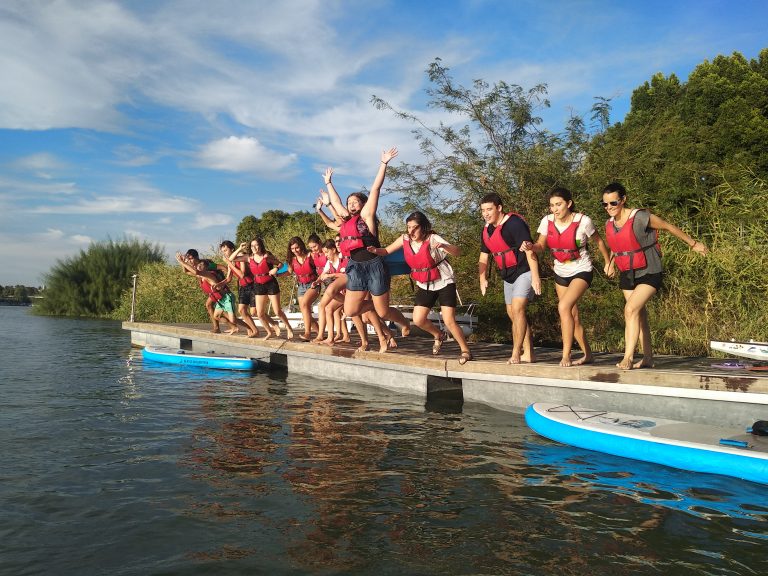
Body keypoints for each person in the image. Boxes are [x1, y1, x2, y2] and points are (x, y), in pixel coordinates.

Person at [601, 182, 708, 370]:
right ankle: (648, 357)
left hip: (650, 270)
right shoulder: (609, 224)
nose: (609, 208)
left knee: (630, 310)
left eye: (613, 203)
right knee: (638, 314)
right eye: (605, 204)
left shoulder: (641, 217)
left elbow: (669, 227)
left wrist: (693, 244)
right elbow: (616, 245)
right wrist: (609, 263)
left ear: (623, 200)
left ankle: (628, 357)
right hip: (627, 272)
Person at [321, 149, 410, 352]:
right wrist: (329, 183)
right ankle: (376, 314)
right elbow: (335, 202)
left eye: (355, 202)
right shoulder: (345, 220)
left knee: (384, 312)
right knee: (351, 310)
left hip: (374, 265)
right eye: (349, 202)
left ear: (362, 204)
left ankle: (404, 323)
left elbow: (376, 188)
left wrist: (383, 164)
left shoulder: (367, 216)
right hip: (355, 267)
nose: (351, 204)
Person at [522, 188, 612, 367]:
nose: (555, 209)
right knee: (572, 315)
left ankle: (566, 355)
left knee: (563, 307)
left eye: (559, 204)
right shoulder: (547, 222)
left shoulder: (583, 221)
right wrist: (531, 246)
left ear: (569, 204)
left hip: (581, 269)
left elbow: (599, 242)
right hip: (561, 271)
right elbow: (541, 245)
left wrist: (608, 262)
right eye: (552, 205)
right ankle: (588, 354)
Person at [369, 211, 473, 364]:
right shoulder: (405, 239)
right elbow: (386, 251)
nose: (411, 231)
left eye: (415, 228)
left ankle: (465, 350)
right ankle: (438, 335)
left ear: (423, 227)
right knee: (418, 320)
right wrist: (374, 251)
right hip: (425, 283)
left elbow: (458, 252)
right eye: (408, 227)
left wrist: (444, 246)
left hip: (444, 281)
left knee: (449, 320)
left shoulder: (433, 238)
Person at [478, 193, 542, 364]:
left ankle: (515, 353)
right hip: (508, 275)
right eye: (483, 210)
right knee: (513, 314)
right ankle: (529, 353)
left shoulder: (514, 224)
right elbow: (484, 257)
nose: (486, 213)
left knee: (518, 308)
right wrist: (482, 279)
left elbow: (530, 249)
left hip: (524, 270)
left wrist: (536, 277)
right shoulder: (486, 230)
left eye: (489, 209)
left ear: (499, 208)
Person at [231, 238, 294, 340]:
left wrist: (276, 269)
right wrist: (239, 248)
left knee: (277, 311)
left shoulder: (267, 256)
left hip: (270, 283)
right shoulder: (249, 257)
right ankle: (269, 332)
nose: (254, 247)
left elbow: (281, 264)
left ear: (260, 245)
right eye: (252, 246)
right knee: (259, 313)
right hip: (258, 285)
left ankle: (289, 327)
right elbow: (231, 259)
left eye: (256, 245)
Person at [176, 250, 243, 335]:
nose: (189, 261)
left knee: (209, 305)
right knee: (217, 311)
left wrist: (225, 279)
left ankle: (219, 327)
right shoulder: (196, 267)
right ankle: (230, 326)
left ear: (196, 257)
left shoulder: (204, 264)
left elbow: (222, 267)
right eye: (188, 259)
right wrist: (182, 263)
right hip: (212, 291)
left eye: (190, 259)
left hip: (218, 289)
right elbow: (186, 271)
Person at [219, 240, 260, 338]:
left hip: (252, 285)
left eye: (225, 250)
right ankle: (254, 330)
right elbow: (228, 278)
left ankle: (272, 323)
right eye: (223, 251)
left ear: (232, 249)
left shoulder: (241, 256)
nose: (224, 253)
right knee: (242, 310)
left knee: (254, 312)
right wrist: (219, 284)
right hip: (242, 287)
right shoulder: (230, 261)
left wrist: (230, 263)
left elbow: (242, 274)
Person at [286, 236, 320, 341]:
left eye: (297, 248)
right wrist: (276, 274)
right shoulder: (292, 260)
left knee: (305, 304)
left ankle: (307, 333)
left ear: (301, 246)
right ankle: (320, 334)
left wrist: (319, 280)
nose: (295, 251)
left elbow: (320, 267)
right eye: (292, 249)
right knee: (305, 311)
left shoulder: (311, 256)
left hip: (313, 284)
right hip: (301, 286)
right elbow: (288, 272)